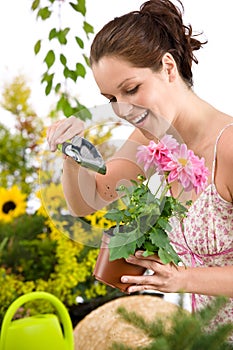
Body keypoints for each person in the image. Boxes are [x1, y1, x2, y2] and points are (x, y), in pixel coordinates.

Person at [47, 0, 233, 340]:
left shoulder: (229, 148)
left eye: (131, 89)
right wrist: (71, 156)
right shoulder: (152, 139)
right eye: (111, 98)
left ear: (168, 67)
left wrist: (181, 278)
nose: (123, 109)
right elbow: (86, 202)